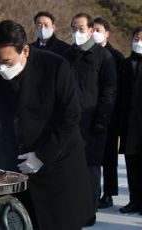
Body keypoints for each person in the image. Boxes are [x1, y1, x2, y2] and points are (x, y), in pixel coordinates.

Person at [0, 20, 93, 230]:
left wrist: (43, 155)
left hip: (56, 168)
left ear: (25, 50)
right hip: (14, 168)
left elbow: (70, 116)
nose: (1, 67)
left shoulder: (55, 67)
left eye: (7, 62)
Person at [64, 12, 117, 226]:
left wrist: (101, 121)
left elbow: (109, 92)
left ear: (92, 30)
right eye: (74, 28)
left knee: (90, 169)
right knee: (69, 168)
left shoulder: (104, 57)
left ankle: (89, 211)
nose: (77, 33)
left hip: (92, 122)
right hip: (68, 122)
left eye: (82, 29)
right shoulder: (68, 55)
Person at [93, 17, 125, 209]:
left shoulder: (116, 56)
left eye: (99, 29)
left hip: (111, 115)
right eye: (93, 29)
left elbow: (119, 89)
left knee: (109, 159)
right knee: (92, 158)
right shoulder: (85, 52)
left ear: (107, 33)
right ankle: (93, 191)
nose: (95, 32)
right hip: (90, 113)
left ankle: (109, 193)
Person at [119, 26, 142, 214]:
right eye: (136, 37)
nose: (138, 41)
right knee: (131, 164)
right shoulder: (125, 64)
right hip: (128, 123)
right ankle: (134, 200)